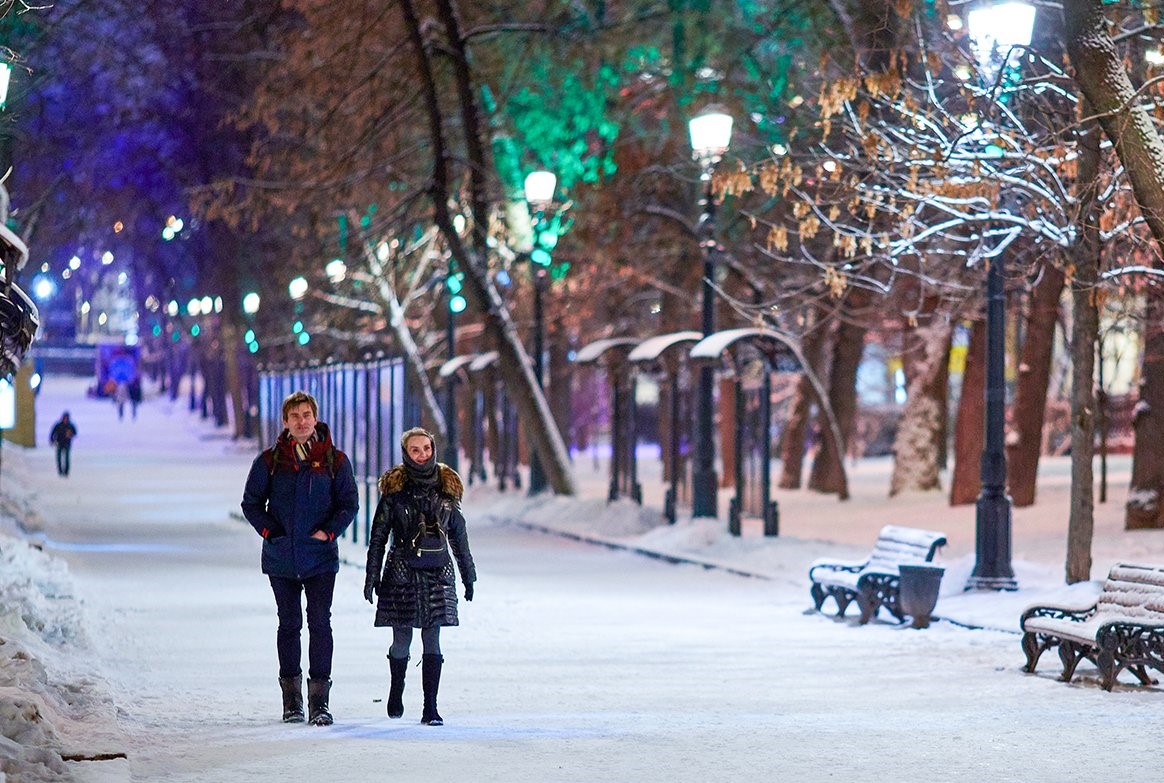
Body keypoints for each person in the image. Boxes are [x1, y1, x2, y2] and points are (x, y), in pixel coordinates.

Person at [241, 390, 358, 726]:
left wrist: (329, 532)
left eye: (307, 415)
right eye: (295, 416)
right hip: (281, 558)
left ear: (315, 417)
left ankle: (320, 702)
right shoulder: (269, 462)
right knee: (289, 624)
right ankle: (292, 702)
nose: (302, 422)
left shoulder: (335, 461)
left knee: (320, 624)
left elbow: (349, 504)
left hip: (320, 558)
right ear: (286, 422)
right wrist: (270, 532)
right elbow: (251, 504)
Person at [364, 426, 476, 726]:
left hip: (437, 573)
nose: (422, 455)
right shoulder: (394, 492)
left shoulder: (447, 488)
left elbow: (458, 536)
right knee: (401, 640)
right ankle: (397, 688)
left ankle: (430, 707)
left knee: (432, 639)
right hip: (401, 573)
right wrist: (372, 574)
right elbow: (378, 535)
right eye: (415, 450)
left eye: (426, 448)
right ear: (406, 453)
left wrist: (469, 576)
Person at [48, 412, 77, 477]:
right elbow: (53, 433)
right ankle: (60, 471)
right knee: (59, 458)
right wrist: (52, 440)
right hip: (59, 443)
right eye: (65, 418)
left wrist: (71, 434)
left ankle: (66, 472)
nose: (65, 419)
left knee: (66, 458)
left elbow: (75, 433)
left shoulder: (70, 425)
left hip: (67, 444)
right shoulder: (58, 425)